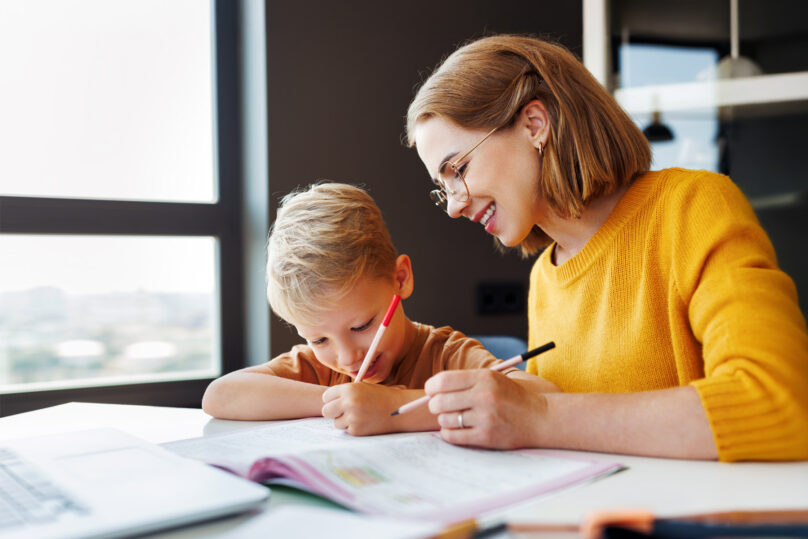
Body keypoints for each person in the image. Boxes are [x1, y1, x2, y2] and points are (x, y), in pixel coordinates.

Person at [405, 34, 808, 461]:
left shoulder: (692, 208)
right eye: (442, 188)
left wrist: (537, 416)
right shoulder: (546, 277)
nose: (453, 206)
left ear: (534, 124)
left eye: (459, 169)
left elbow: (779, 400)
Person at [201, 182, 539, 435]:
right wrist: (338, 400)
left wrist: (396, 408)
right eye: (319, 341)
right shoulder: (321, 371)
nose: (347, 357)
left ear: (401, 279)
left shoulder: (446, 354)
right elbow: (220, 396)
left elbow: (538, 398)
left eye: (362, 326)